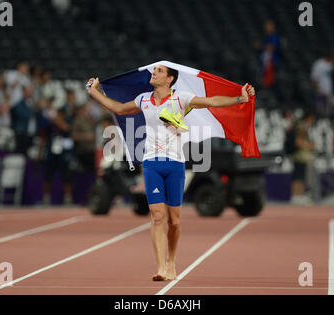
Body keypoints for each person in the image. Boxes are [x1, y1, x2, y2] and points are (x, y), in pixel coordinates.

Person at [86, 64, 255, 281]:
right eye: (153, 70)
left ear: (169, 80)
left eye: (158, 71)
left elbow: (212, 102)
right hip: (151, 163)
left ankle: (172, 261)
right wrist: (94, 92)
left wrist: (239, 99)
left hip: (175, 164)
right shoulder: (143, 99)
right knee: (157, 217)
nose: (153, 73)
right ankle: (160, 268)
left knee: (174, 221)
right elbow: (118, 109)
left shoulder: (181, 99)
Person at [290, 111, 316, 205]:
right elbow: (298, 142)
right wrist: (309, 146)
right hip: (299, 155)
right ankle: (295, 196)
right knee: (298, 176)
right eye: (312, 118)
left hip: (301, 155)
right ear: (308, 118)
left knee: (301, 176)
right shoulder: (302, 127)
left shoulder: (303, 127)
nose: (313, 121)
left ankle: (299, 195)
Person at [310, 52, 334, 118]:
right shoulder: (319, 64)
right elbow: (314, 78)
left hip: (329, 92)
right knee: (319, 110)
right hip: (320, 90)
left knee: (328, 111)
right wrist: (316, 89)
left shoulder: (331, 64)